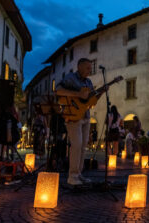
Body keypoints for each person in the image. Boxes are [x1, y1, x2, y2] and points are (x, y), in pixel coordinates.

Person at [56, 58, 106, 186]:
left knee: (83, 146)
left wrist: (100, 92)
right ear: (80, 67)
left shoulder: (89, 82)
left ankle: (78, 173)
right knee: (76, 145)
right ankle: (72, 176)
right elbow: (58, 90)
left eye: (91, 68)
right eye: (88, 68)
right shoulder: (71, 78)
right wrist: (77, 94)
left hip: (85, 115)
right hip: (73, 116)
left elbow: (90, 102)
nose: (90, 71)